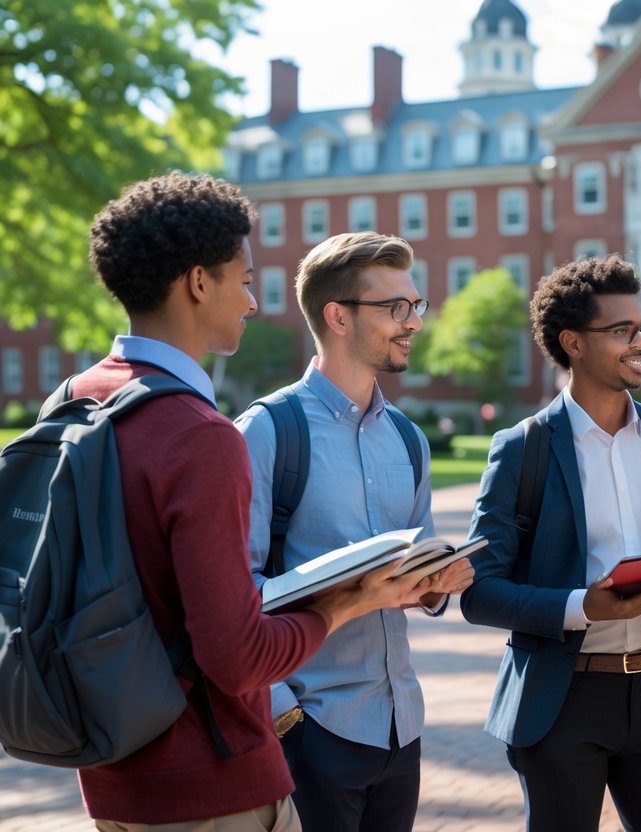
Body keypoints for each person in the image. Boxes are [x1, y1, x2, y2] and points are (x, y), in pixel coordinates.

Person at [75, 173, 440, 831]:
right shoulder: (207, 432)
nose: (251, 301)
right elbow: (234, 651)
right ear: (197, 283)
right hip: (220, 772)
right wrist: (346, 606)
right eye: (244, 280)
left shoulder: (77, 401)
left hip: (111, 764)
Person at [460, 255, 641, 831]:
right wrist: (582, 607)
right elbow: (479, 593)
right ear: (572, 343)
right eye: (622, 331)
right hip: (560, 701)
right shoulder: (521, 449)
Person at [235, 232, 473, 832]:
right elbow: (233, 592)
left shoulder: (408, 440)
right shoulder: (266, 432)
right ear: (338, 316)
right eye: (395, 307)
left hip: (400, 723)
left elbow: (415, 572)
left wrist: (438, 582)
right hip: (309, 725)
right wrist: (284, 714)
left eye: (414, 306)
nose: (413, 322)